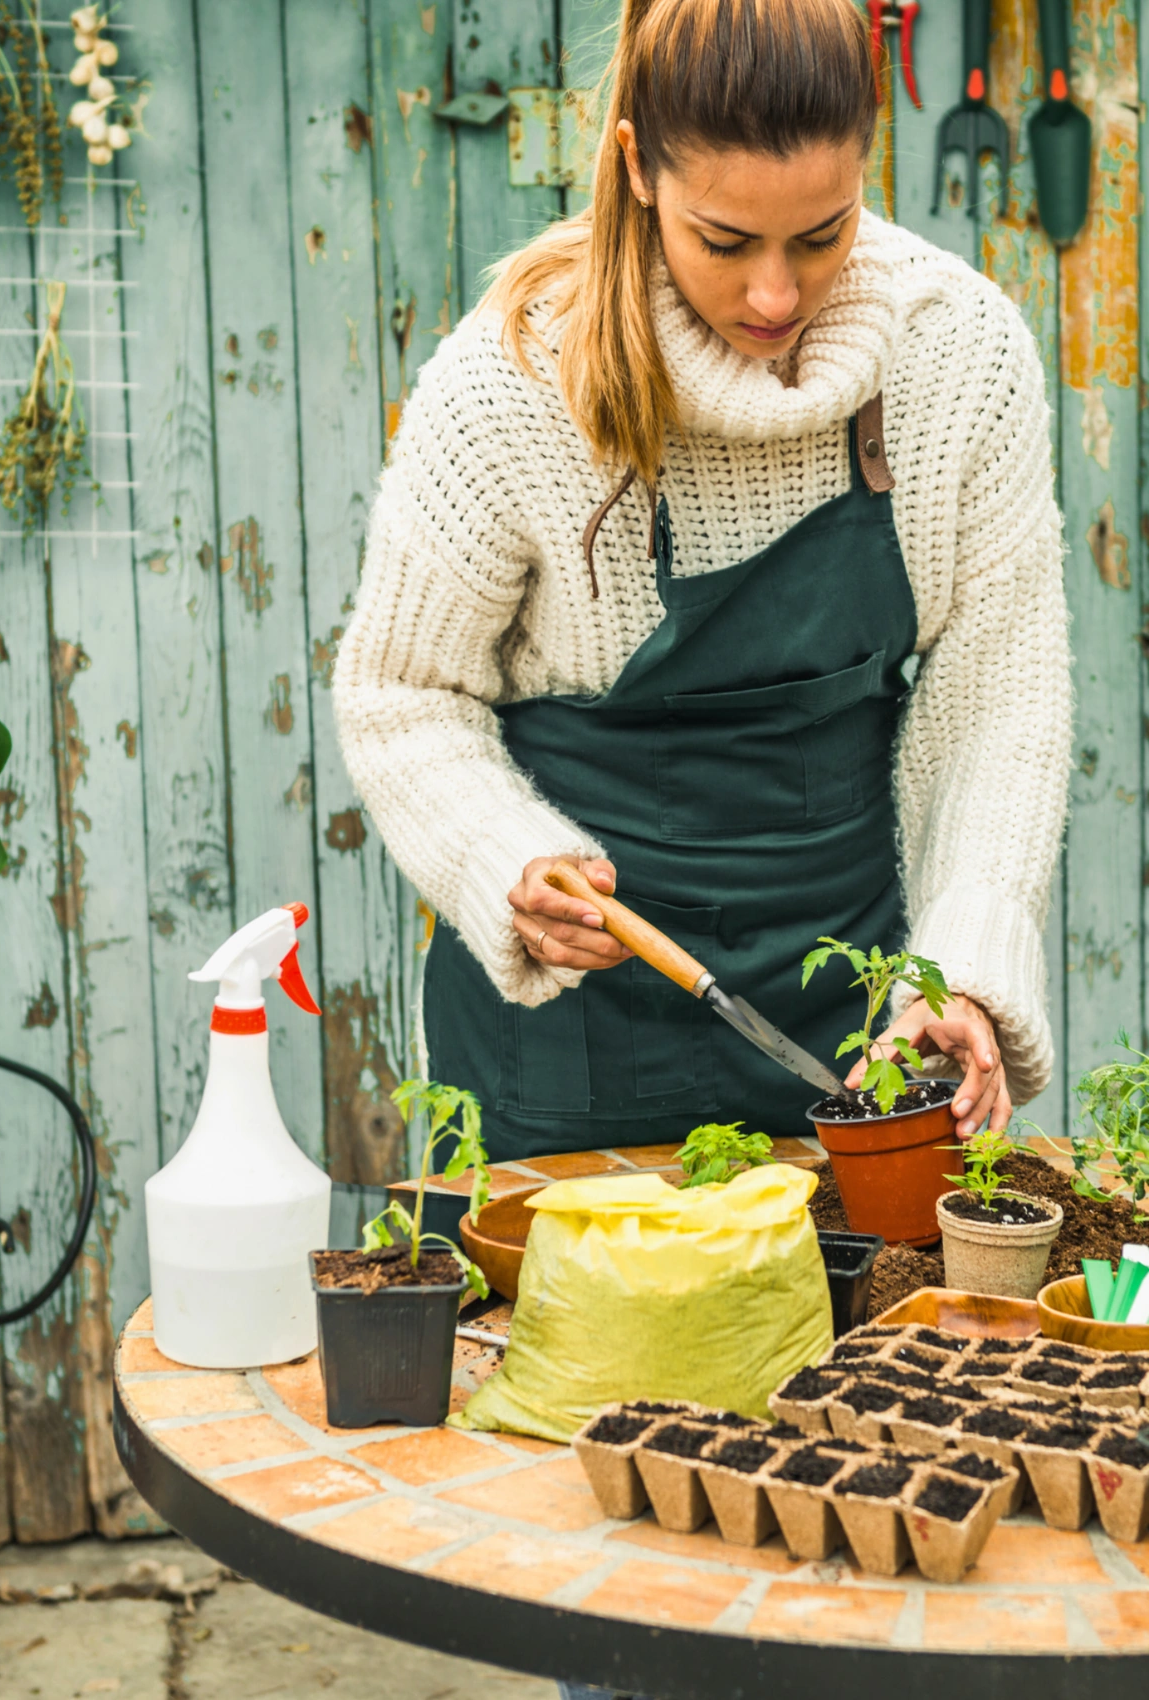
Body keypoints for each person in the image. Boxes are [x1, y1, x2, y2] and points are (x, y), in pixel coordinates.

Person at [333, 0, 1069, 1183]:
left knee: (860, 1362)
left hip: (850, 1029)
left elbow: (997, 701)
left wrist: (953, 973)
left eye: (819, 236)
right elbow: (400, 692)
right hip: (568, 1038)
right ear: (634, 167)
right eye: (723, 242)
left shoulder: (955, 354)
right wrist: (506, 857)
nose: (775, 296)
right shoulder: (515, 376)